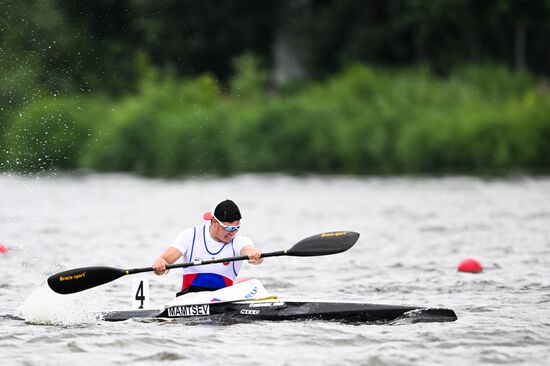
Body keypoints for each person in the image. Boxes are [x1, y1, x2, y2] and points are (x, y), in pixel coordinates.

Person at [152, 199, 262, 296]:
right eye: (228, 228)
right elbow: (164, 261)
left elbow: (249, 251)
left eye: (236, 228)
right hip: (189, 298)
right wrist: (160, 264)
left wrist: (255, 255)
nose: (233, 233)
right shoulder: (190, 236)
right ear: (214, 222)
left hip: (224, 300)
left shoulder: (238, 240)